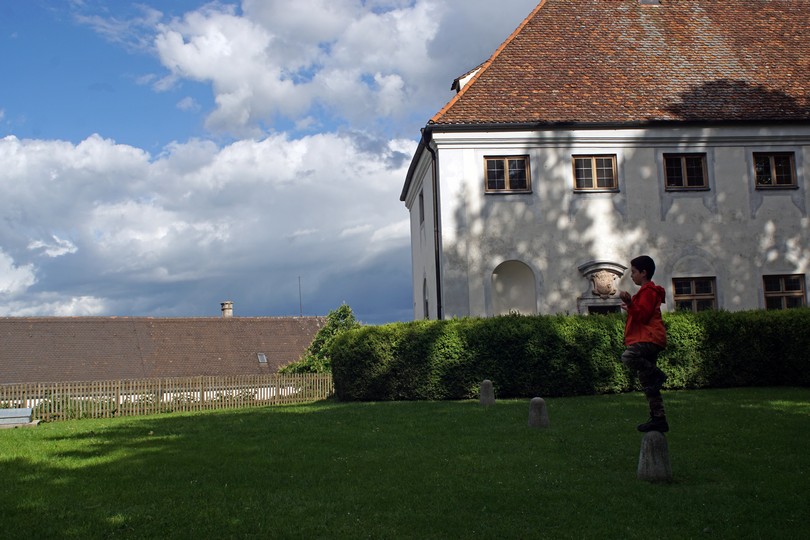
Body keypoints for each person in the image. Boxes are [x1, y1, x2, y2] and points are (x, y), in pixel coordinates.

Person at [619, 255, 669, 433]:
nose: (631, 275)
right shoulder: (645, 292)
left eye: (633, 272)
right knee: (648, 383)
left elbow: (643, 315)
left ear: (643, 272)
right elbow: (640, 313)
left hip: (650, 339)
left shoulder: (648, 291)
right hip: (648, 338)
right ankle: (658, 418)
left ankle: (658, 374)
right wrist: (631, 305)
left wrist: (630, 304)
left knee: (628, 356)